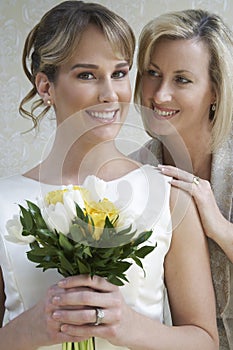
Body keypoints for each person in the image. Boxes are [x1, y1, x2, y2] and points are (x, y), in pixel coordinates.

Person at [0, 2, 219, 350]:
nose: (110, 94)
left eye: (119, 73)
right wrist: (28, 329)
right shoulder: (3, 201)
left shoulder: (168, 195)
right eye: (87, 75)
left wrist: (128, 327)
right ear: (45, 86)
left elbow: (206, 341)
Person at [131, 8, 233, 350]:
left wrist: (218, 226)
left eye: (182, 79)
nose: (159, 95)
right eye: (153, 74)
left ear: (216, 90)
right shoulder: (129, 176)